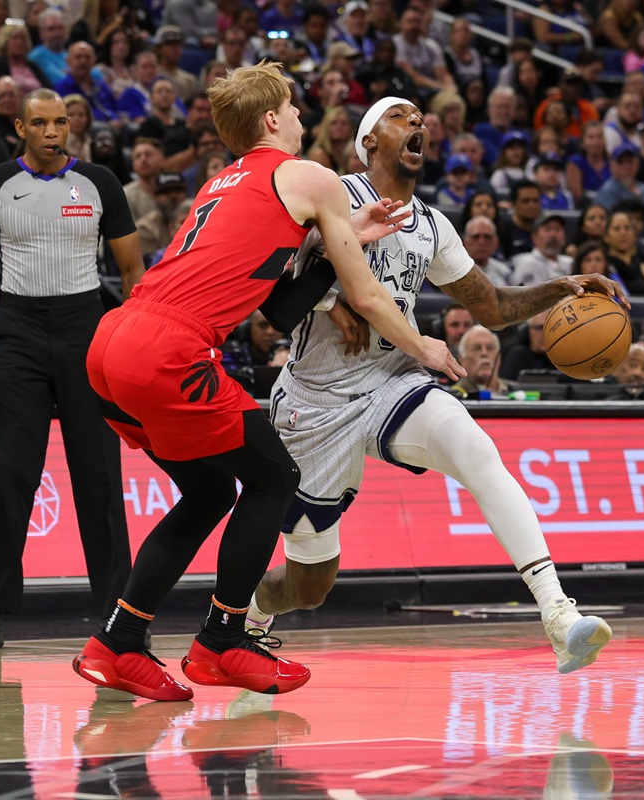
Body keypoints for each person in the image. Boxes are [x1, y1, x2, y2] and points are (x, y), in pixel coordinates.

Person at [70, 73, 464, 701]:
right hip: (173, 349)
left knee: (205, 496)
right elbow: (364, 294)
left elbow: (275, 301)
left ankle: (117, 643)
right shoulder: (311, 175)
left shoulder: (221, 182)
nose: (302, 112)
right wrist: (425, 348)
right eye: (292, 105)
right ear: (271, 122)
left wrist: (347, 238)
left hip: (112, 343)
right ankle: (222, 641)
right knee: (274, 480)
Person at [246, 96, 623, 677]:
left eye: (422, 119)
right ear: (369, 140)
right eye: (402, 116)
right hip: (313, 404)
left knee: (474, 447)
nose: (418, 123)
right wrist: (327, 298)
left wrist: (561, 287)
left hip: (391, 381)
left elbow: (492, 306)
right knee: (309, 585)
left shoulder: (432, 226)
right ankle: (250, 615)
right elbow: (268, 278)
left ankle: (558, 614)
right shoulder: (332, 194)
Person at [0, 88, 144, 652]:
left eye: (61, 122)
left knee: (100, 477)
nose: (54, 132)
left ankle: (119, 614)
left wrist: (132, 348)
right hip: (20, 336)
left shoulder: (101, 183)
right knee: (10, 475)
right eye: (41, 123)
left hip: (87, 329)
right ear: (20, 128)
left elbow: (133, 270)